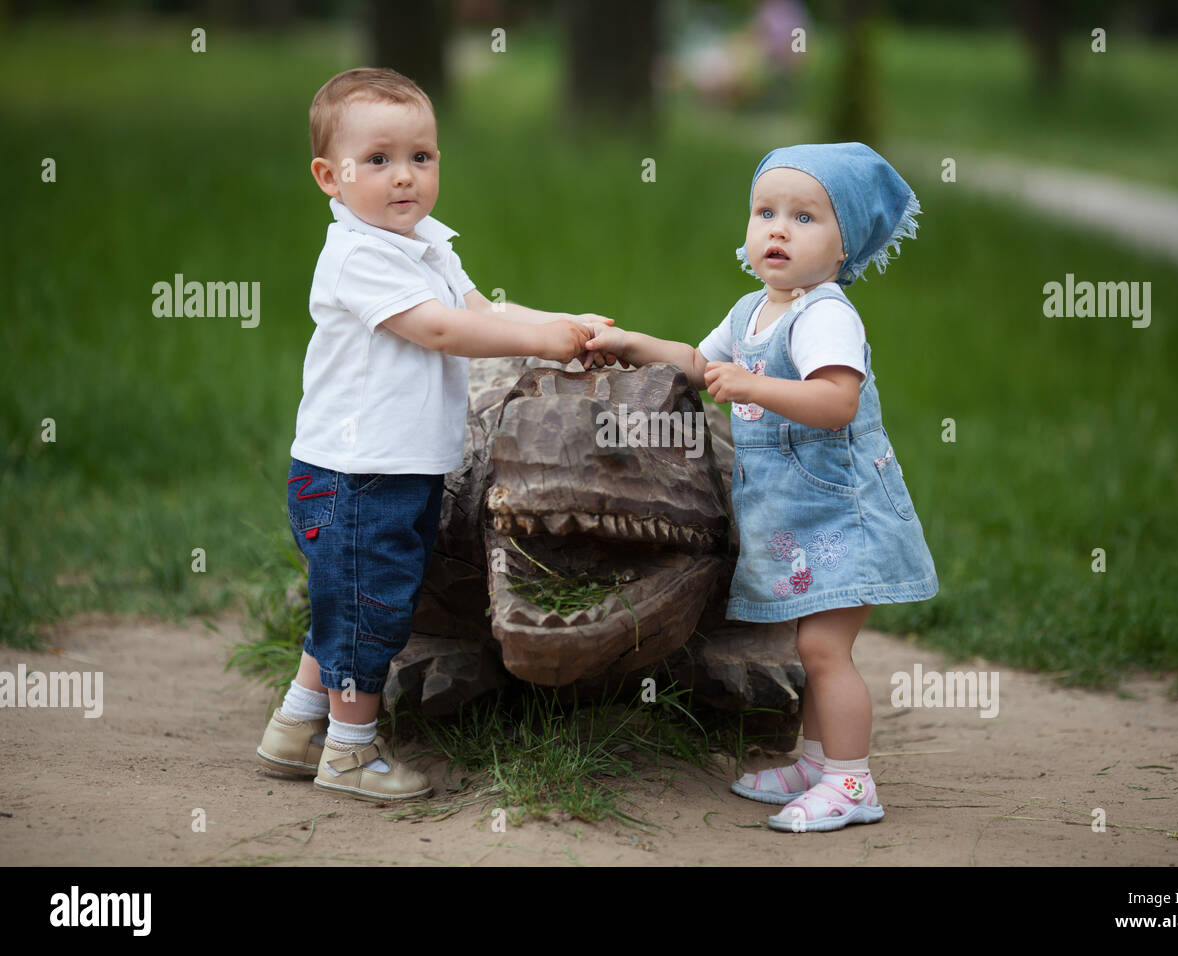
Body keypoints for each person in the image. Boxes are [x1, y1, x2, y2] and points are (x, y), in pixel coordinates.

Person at [257, 67, 614, 802]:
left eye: (421, 157)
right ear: (330, 176)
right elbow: (442, 329)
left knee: (350, 599)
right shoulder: (358, 255)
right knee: (371, 610)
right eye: (378, 160)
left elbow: (483, 306)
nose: (403, 178)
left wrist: (561, 325)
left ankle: (296, 729)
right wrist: (542, 341)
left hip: (397, 469)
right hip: (354, 475)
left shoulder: (423, 244)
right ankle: (350, 751)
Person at [586, 142, 938, 832]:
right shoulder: (755, 308)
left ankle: (851, 782)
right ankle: (815, 761)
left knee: (823, 650)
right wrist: (634, 343)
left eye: (805, 217)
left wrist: (752, 387)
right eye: (765, 212)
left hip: (847, 516)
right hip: (803, 517)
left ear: (845, 247)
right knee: (810, 646)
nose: (778, 229)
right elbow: (697, 362)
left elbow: (835, 401)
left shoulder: (825, 314)